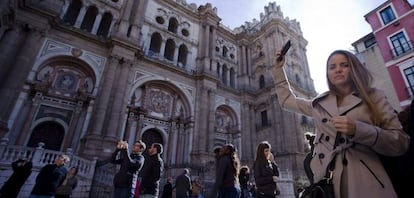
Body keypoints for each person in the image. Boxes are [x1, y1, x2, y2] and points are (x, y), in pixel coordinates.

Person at [272, 49, 410, 197]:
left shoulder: (374, 97)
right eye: (332, 67)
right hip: (328, 185)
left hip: (366, 182)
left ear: (354, 68)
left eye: (344, 65)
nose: (338, 69)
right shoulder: (320, 103)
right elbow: (287, 100)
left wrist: (359, 130)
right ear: (328, 74)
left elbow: (400, 142)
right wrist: (279, 69)